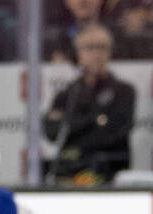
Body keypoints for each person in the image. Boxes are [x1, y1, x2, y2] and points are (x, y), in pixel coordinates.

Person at [42, 22, 135, 186]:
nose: (96, 54)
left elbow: (114, 133)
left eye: (102, 47)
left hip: (109, 174)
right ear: (78, 53)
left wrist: (72, 123)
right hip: (69, 173)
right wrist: (95, 119)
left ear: (109, 52)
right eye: (89, 47)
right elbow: (52, 131)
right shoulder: (67, 94)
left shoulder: (124, 91)